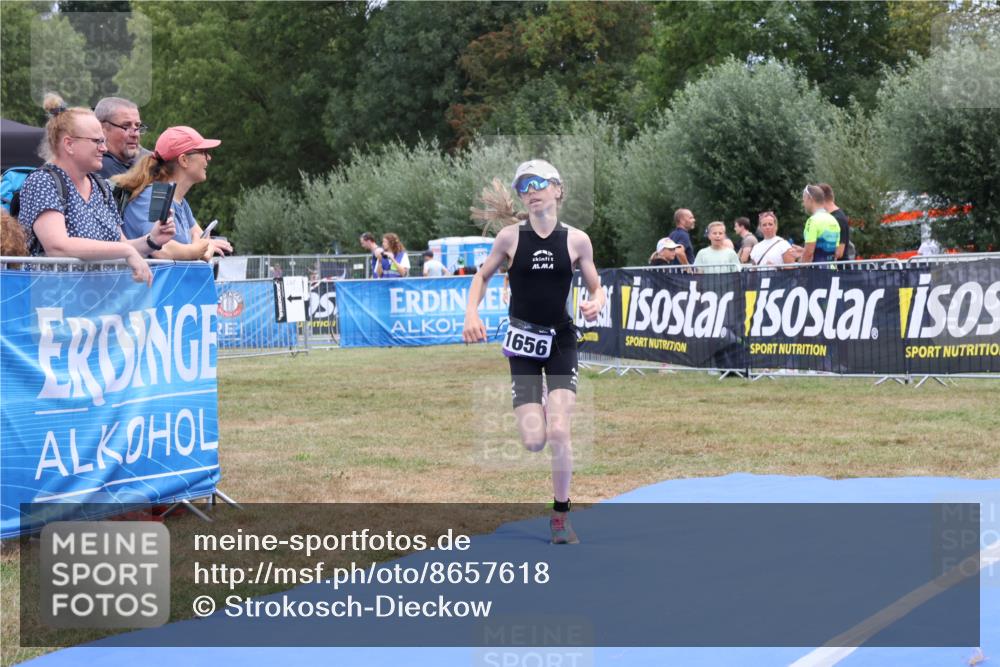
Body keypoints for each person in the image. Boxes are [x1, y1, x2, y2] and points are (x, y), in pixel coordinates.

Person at [463, 159, 605, 545]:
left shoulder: (577, 240)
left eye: (538, 182)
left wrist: (597, 301)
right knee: (534, 441)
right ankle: (540, 399)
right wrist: (471, 312)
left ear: (558, 190)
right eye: (523, 186)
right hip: (523, 346)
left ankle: (561, 516)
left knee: (559, 430)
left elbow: (596, 285)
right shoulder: (510, 238)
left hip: (560, 342)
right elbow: (481, 276)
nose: (531, 190)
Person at [16, 94, 174, 286]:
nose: (104, 148)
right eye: (97, 141)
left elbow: (121, 245)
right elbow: (57, 246)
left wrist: (152, 239)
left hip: (97, 307)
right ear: (69, 144)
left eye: (103, 142)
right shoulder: (43, 182)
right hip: (51, 304)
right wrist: (126, 252)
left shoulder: (101, 186)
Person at [115, 126, 231, 260]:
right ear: (183, 160)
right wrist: (194, 250)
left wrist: (201, 248)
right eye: (203, 152)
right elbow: (161, 249)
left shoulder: (180, 201)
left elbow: (203, 240)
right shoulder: (156, 196)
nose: (209, 158)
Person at [94, 97, 150, 179]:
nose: (135, 134)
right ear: (102, 128)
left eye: (137, 126)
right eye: (126, 126)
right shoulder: (98, 166)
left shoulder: (145, 159)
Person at [800, 184, 840, 264]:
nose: (803, 203)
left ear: (809, 199)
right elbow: (837, 252)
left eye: (804, 199)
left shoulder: (812, 221)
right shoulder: (833, 220)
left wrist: (800, 268)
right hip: (832, 271)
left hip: (816, 272)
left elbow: (809, 252)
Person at [818, 183, 851, 260]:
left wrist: (811, 252)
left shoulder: (838, 218)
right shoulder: (831, 217)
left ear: (820, 199)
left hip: (839, 270)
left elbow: (839, 252)